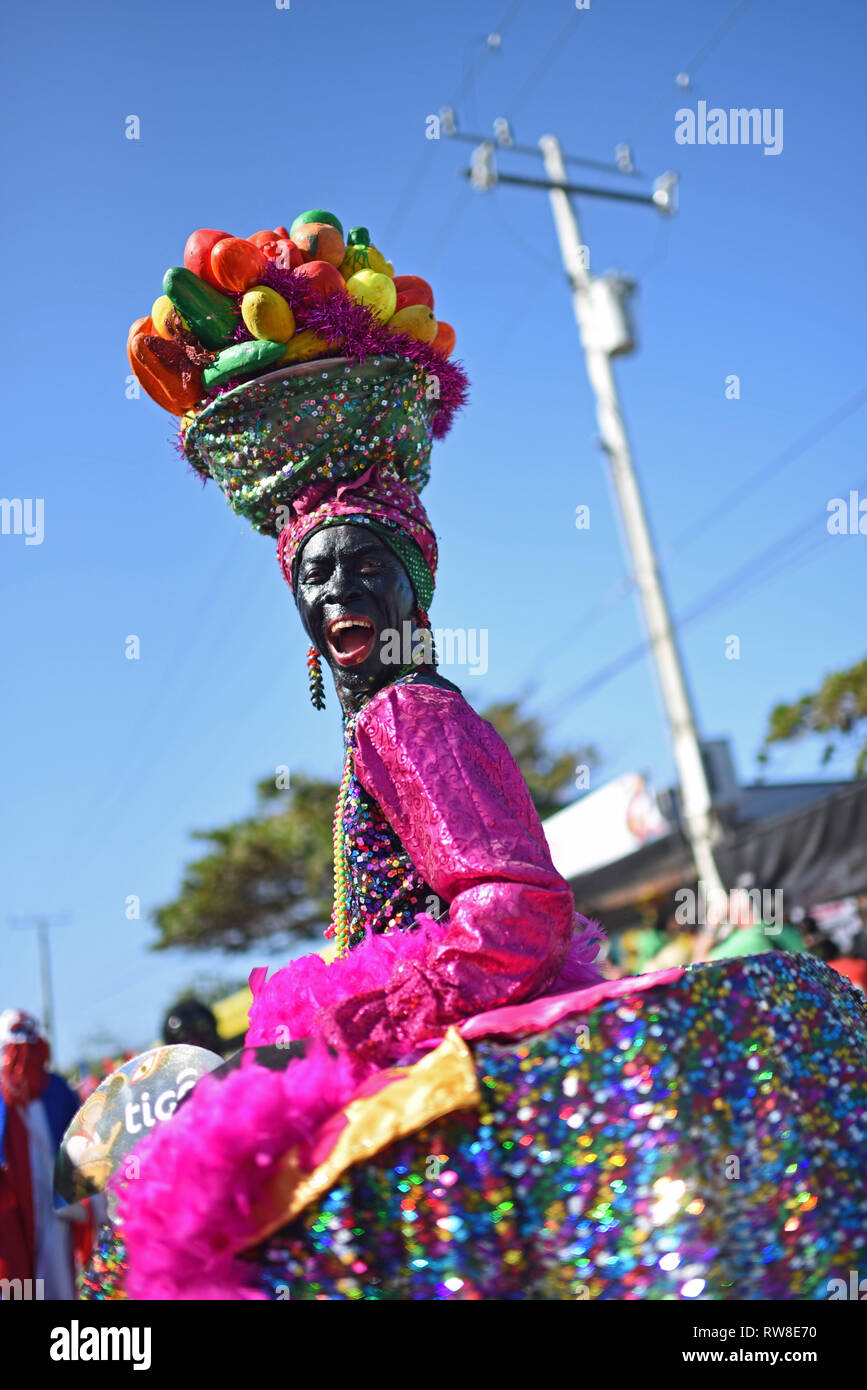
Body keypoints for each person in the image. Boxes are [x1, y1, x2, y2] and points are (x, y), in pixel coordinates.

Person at [80, 211, 867, 1301]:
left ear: (416, 583)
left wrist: (330, 1021)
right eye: (314, 577)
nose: (337, 592)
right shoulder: (377, 725)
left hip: (461, 1076)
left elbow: (519, 916)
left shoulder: (409, 713)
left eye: (363, 566)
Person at [0, 1011, 79, 1299]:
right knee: (15, 1278)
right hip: (12, 1206)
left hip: (56, 1203)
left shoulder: (57, 1090)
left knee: (55, 1276)